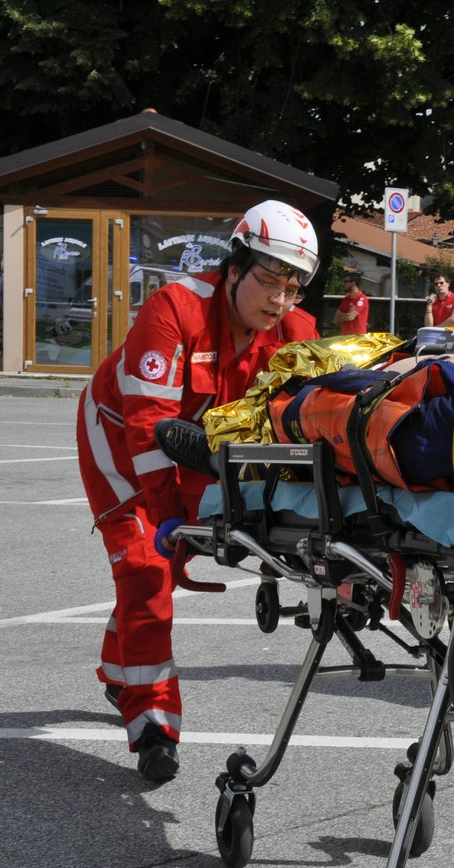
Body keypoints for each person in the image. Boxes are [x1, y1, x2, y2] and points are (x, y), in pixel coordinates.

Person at [75, 200, 320, 782]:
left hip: (190, 444)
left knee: (155, 568)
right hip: (118, 435)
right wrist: (165, 519)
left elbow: (295, 423)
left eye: (294, 289)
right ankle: (153, 723)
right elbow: (146, 424)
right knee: (145, 566)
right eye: (269, 282)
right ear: (234, 267)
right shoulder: (173, 307)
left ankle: (119, 668)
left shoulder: (295, 330)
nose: (280, 302)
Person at [334, 269, 369, 335]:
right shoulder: (346, 298)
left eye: (345, 282)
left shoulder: (361, 298)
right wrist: (346, 316)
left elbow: (350, 317)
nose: (343, 284)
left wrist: (343, 316)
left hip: (357, 337)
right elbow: (336, 319)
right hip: (345, 336)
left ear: (353, 283)